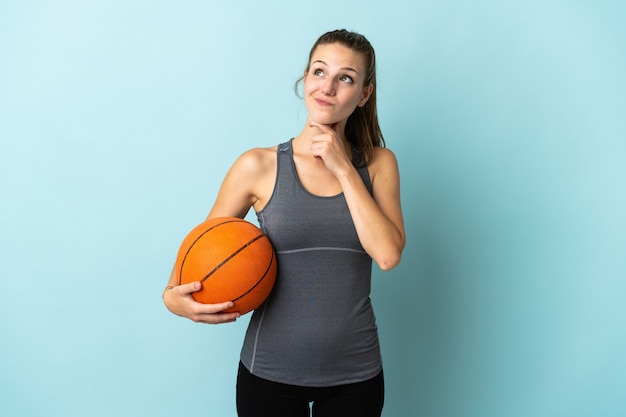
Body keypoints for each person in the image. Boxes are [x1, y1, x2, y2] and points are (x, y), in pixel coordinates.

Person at [163, 29, 405, 417]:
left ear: (363, 95)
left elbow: (388, 254)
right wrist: (172, 298)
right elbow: (199, 253)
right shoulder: (257, 166)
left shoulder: (379, 165)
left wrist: (344, 169)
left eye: (345, 78)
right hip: (268, 373)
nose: (328, 86)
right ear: (305, 79)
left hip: (355, 375)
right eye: (319, 72)